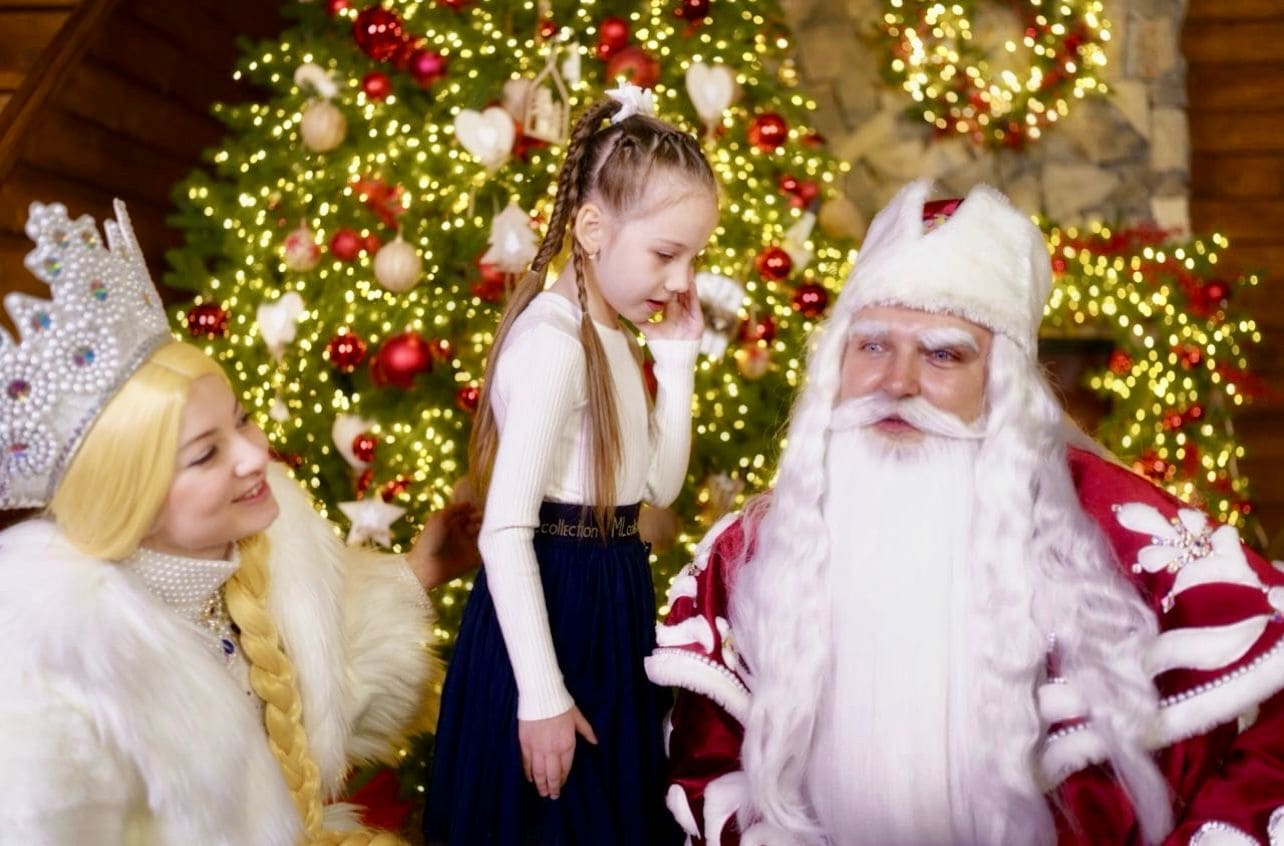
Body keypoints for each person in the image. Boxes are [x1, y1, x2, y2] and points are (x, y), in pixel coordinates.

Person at [647, 179, 1284, 845]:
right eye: (872, 346)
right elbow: (708, 764)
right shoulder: (754, 551)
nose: (897, 383)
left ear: (1002, 385)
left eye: (943, 354)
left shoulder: (1120, 527)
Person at [0, 200, 479, 845]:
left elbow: (329, 699)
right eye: (206, 453)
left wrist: (423, 567)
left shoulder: (265, 554)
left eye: (243, 420)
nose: (256, 456)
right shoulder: (61, 664)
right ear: (130, 497)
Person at [424, 84, 719, 846]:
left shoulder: (614, 334)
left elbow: (655, 487)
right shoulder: (555, 343)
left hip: (612, 594)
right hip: (554, 608)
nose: (682, 281)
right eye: (666, 254)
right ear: (592, 229)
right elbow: (503, 532)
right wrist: (543, 696)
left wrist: (678, 360)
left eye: (694, 258)